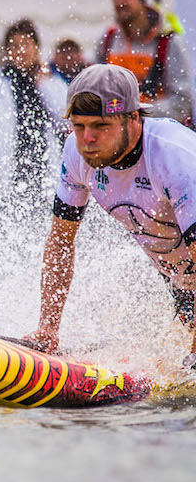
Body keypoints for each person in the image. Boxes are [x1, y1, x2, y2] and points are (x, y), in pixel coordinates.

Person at [26, 64, 196, 366]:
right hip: (181, 278)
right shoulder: (76, 154)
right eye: (79, 126)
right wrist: (48, 330)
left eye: (100, 126)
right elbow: (61, 242)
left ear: (132, 118)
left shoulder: (174, 156)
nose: (87, 139)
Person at [0, 19, 66, 214]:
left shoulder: (49, 80)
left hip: (42, 166)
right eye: (14, 46)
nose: (21, 51)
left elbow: (65, 118)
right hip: (5, 169)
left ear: (36, 48)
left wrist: (43, 83)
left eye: (26, 45)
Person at [96, 0, 192, 124]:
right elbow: (95, 89)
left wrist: (139, 113)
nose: (119, 3)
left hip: (157, 131)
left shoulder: (168, 42)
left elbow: (182, 101)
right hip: (117, 133)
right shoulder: (108, 39)